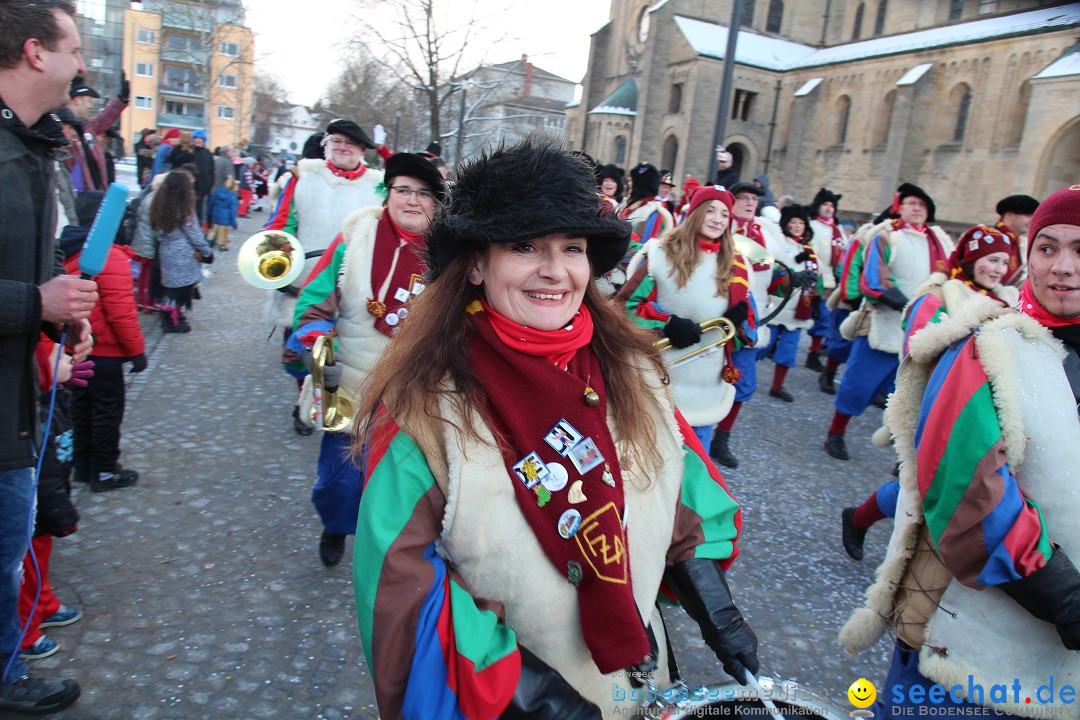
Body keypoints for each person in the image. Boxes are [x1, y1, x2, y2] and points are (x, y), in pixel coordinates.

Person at [352, 141, 759, 719]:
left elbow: (685, 498)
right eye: (524, 246)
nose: (555, 270)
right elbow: (402, 596)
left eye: (572, 247)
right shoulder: (422, 408)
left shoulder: (635, 372)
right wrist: (540, 701)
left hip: (641, 686)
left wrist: (716, 609)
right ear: (474, 262)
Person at [840, 187, 1080, 717]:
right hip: (967, 635)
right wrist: (1065, 597)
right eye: (1047, 248)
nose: (1063, 267)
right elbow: (967, 485)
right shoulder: (990, 345)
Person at [284, 153, 444, 567]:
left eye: (424, 194)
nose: (412, 201)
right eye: (403, 190)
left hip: (415, 393)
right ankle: (336, 525)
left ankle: (390, 555)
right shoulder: (356, 238)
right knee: (340, 480)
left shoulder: (451, 255)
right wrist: (315, 343)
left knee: (405, 487)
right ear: (387, 193)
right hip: (350, 384)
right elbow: (314, 305)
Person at [0, 0, 91, 712]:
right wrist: (40, 305)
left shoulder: (30, 146)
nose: (82, 65)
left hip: (15, 408)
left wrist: (56, 325)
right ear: (35, 52)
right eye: (74, 49)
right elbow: (27, 290)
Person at [839, 224, 1019, 561]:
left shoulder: (1008, 300)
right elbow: (919, 348)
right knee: (925, 488)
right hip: (940, 405)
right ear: (970, 258)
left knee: (950, 489)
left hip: (984, 411)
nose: (996, 269)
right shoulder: (938, 294)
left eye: (1002, 262)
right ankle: (861, 521)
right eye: (989, 260)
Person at [264, 119, 386, 434]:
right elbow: (282, 224)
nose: (342, 147)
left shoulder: (379, 184)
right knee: (302, 353)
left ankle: (332, 405)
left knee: (339, 354)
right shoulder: (303, 177)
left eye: (350, 143)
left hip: (353, 284)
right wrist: (276, 262)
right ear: (326, 144)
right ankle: (302, 402)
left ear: (362, 150)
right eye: (336, 141)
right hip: (304, 285)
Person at [618, 185, 757, 463]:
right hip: (659, 377)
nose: (718, 219)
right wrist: (667, 323)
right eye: (711, 211)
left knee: (694, 467)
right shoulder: (660, 253)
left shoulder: (738, 264)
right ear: (694, 213)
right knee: (649, 461)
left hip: (706, 381)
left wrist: (738, 323)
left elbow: (746, 333)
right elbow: (625, 307)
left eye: (725, 214)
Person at [824, 183, 953, 461]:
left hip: (925, 329)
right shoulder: (886, 236)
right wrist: (907, 306)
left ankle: (903, 455)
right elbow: (874, 278)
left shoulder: (940, 241)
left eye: (922, 205)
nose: (917, 209)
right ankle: (836, 432)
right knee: (858, 384)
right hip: (886, 322)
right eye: (911, 204)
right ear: (900, 208)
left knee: (911, 396)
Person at [60, 190, 146, 491]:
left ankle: (82, 466)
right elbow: (121, 312)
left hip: (75, 351)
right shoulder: (110, 256)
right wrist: (137, 352)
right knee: (107, 412)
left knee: (81, 410)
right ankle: (106, 471)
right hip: (105, 353)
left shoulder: (67, 248)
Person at [19, 338, 81, 661]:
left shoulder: (54, 400)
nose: (69, 357)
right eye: (61, 357)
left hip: (49, 504)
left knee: (40, 557)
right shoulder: (33, 415)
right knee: (25, 567)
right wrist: (61, 512)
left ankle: (44, 604)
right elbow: (43, 475)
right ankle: (25, 633)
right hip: (42, 504)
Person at [757, 204, 820, 403]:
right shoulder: (779, 243)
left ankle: (777, 385)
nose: (797, 226)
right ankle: (744, 376)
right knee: (761, 345)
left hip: (798, 310)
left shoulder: (808, 249)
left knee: (788, 351)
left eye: (801, 223)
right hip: (778, 305)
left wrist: (816, 301)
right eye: (793, 222)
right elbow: (774, 268)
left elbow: (817, 276)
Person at [150, 170, 213, 333]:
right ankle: (172, 320)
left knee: (171, 289)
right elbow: (195, 234)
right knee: (180, 290)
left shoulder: (159, 205)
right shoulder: (184, 209)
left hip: (166, 252)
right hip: (184, 254)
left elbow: (156, 232)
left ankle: (172, 317)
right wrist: (206, 251)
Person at [806, 187, 849, 372]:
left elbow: (844, 252)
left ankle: (814, 352)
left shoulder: (837, 229)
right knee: (818, 316)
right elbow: (811, 252)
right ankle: (811, 353)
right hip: (818, 278)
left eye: (832, 205)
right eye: (825, 204)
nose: (829, 208)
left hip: (833, 279)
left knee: (825, 318)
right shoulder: (813, 226)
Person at [64, 74, 127, 192]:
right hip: (78, 201)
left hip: (94, 197)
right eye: (88, 101)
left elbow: (103, 119)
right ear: (77, 100)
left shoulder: (87, 128)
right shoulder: (63, 130)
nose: (91, 106)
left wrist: (121, 99)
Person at [617, 162, 673, 252]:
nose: (629, 184)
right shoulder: (631, 205)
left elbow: (645, 246)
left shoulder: (653, 211)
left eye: (632, 181)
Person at [993, 193, 1040, 286]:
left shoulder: (1022, 243)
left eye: (1034, 216)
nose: (1032, 220)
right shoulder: (988, 238)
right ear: (1009, 215)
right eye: (1027, 215)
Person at [207, 176, 239, 251]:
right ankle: (222, 245)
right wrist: (233, 223)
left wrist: (210, 214)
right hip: (225, 218)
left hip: (215, 215)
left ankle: (209, 241)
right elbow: (232, 212)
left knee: (213, 230)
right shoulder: (232, 197)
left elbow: (211, 204)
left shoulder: (217, 192)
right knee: (223, 232)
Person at [190, 130, 214, 224]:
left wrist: (210, 184)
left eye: (200, 138)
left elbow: (211, 170)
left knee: (201, 211)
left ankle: (199, 228)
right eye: (196, 138)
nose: (198, 140)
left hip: (205, 188)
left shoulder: (207, 153)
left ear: (204, 140)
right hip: (193, 186)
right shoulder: (191, 152)